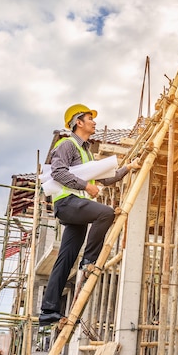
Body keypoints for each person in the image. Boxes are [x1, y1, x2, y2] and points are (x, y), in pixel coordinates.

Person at [39, 103, 141, 326]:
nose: (94, 122)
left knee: (65, 260)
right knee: (105, 213)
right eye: (90, 118)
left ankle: (48, 311)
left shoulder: (86, 152)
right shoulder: (66, 145)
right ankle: (89, 261)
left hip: (77, 207)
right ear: (79, 122)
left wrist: (129, 167)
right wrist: (86, 186)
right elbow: (57, 172)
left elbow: (104, 179)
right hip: (67, 203)